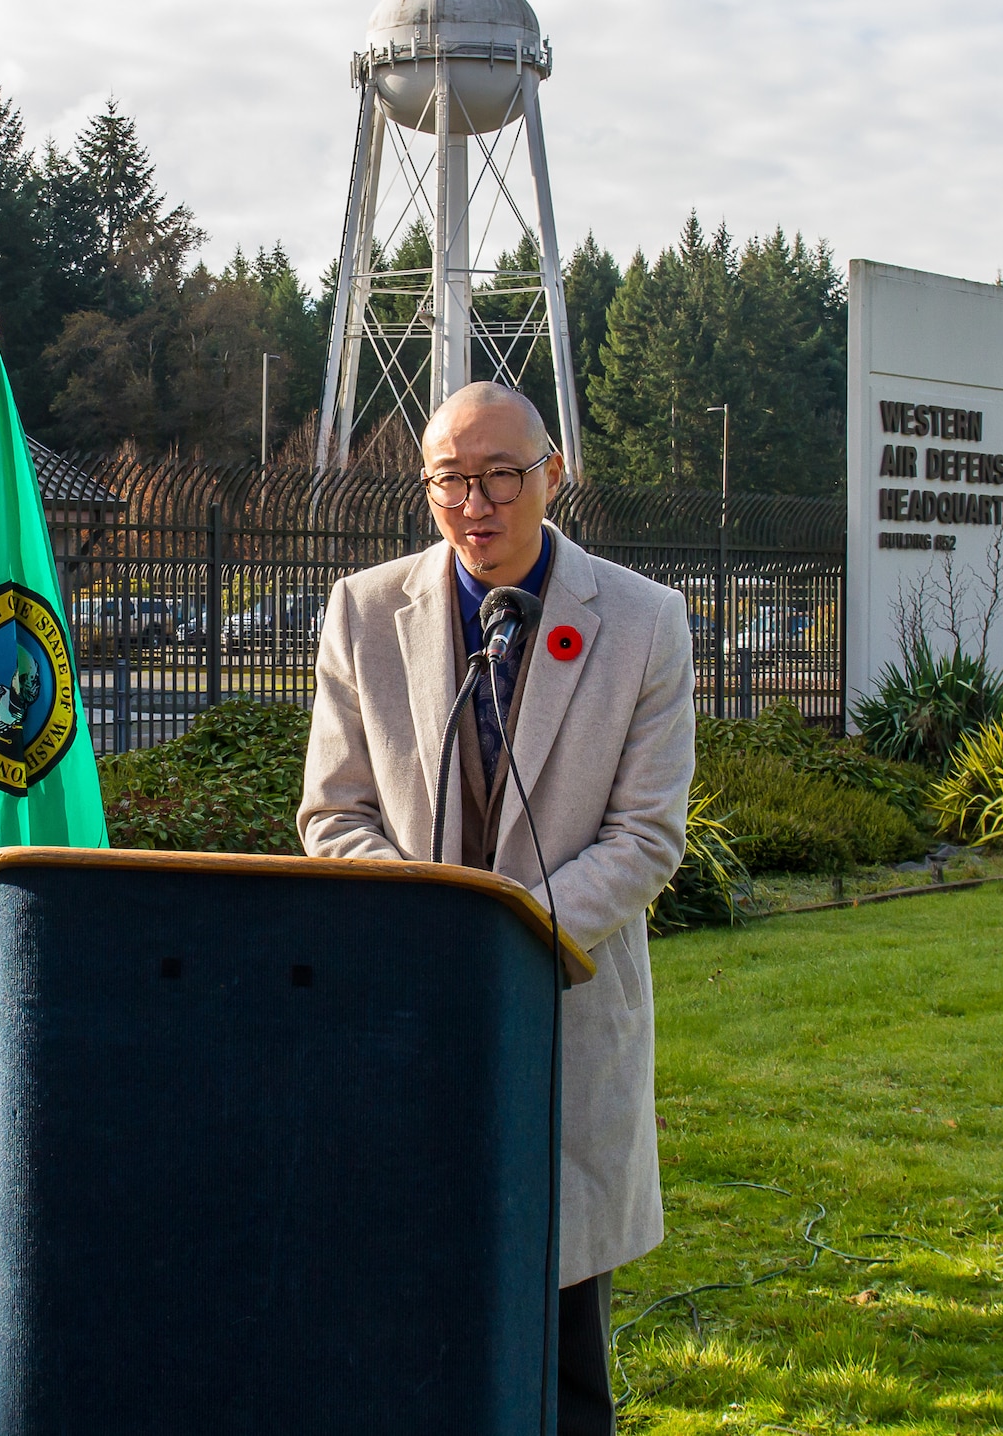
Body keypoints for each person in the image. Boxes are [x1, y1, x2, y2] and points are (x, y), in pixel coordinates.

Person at [297, 382, 695, 1433]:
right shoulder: (363, 610)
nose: (475, 504)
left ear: (552, 474)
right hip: (403, 1024)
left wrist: (503, 938)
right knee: (406, 1331)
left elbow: (645, 836)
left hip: (560, 1021)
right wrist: (429, 939)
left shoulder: (644, 624)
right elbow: (332, 812)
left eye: (500, 477)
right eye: (448, 482)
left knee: (558, 1358)